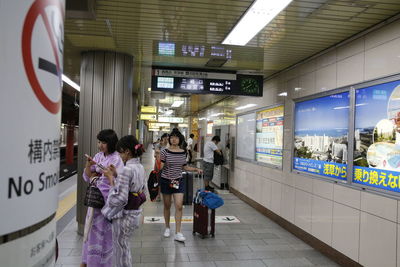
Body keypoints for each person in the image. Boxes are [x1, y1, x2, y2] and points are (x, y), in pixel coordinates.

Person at [101, 135, 146, 267]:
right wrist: (116, 175)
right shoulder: (140, 167)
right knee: (125, 246)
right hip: (135, 213)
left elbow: (120, 199)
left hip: (124, 216)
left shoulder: (127, 169)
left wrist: (110, 179)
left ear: (127, 151)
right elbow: (143, 191)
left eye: (120, 152)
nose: (120, 156)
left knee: (120, 250)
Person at [81, 129, 124, 267]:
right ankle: (90, 262)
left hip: (107, 204)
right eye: (99, 142)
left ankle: (105, 264)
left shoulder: (117, 159)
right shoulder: (98, 156)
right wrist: (89, 166)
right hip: (95, 202)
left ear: (111, 143)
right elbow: (88, 177)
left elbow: (120, 182)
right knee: (92, 233)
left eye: (104, 142)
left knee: (106, 236)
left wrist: (106, 175)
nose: (100, 145)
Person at [160, 129, 202, 242]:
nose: (174, 139)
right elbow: (160, 167)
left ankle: (178, 232)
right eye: (172, 137)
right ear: (169, 139)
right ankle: (167, 227)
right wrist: (158, 158)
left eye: (176, 137)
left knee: (179, 205)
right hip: (165, 180)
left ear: (180, 139)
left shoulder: (183, 152)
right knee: (167, 205)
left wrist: (195, 169)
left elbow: (184, 167)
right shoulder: (165, 152)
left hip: (177, 181)